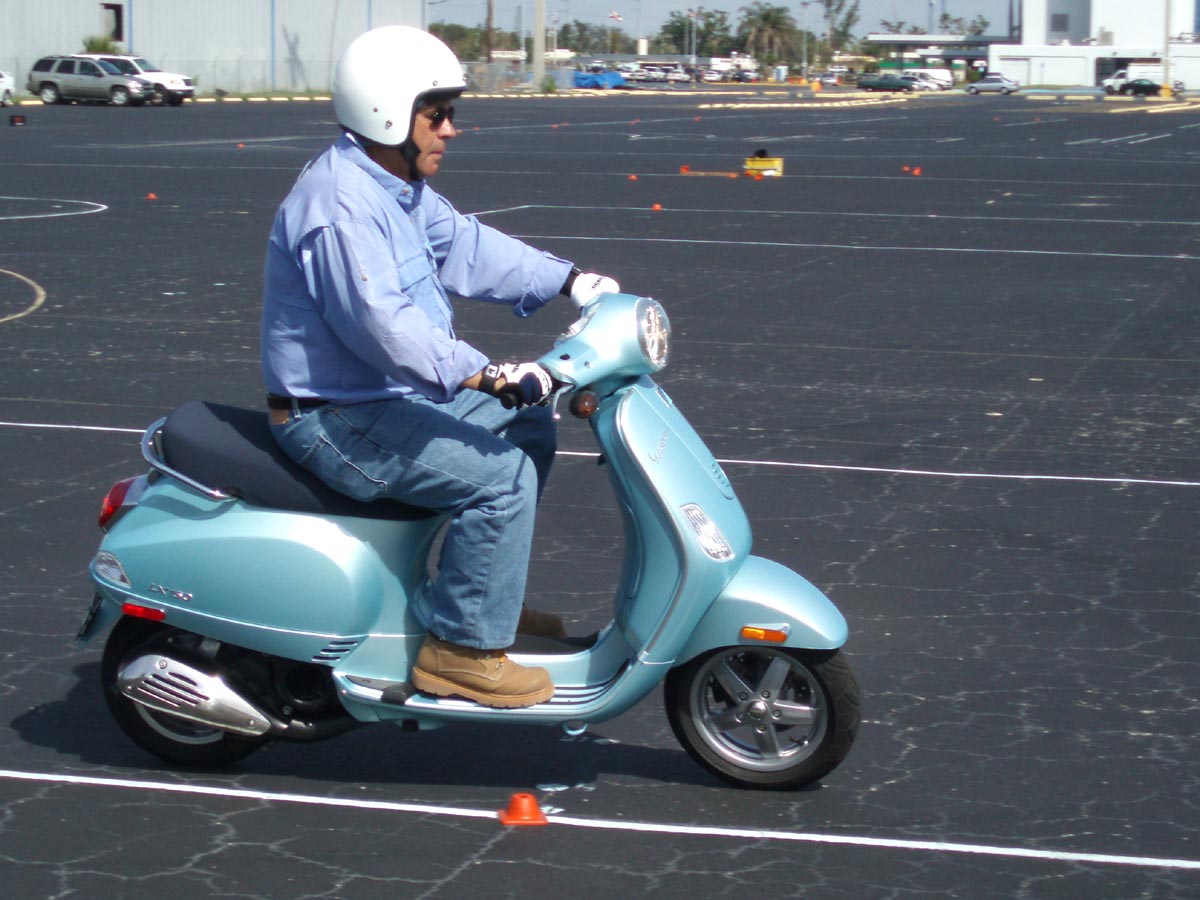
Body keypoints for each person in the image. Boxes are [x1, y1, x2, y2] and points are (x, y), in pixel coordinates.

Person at [260, 26, 618, 709]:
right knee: (503, 480)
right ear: (386, 112)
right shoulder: (339, 206)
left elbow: (466, 246)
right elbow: (383, 327)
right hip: (335, 417)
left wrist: (570, 280)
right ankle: (460, 652)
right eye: (437, 113)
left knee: (529, 425)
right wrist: (487, 374)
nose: (451, 129)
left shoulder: (391, 185)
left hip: (381, 398)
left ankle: (473, 599)